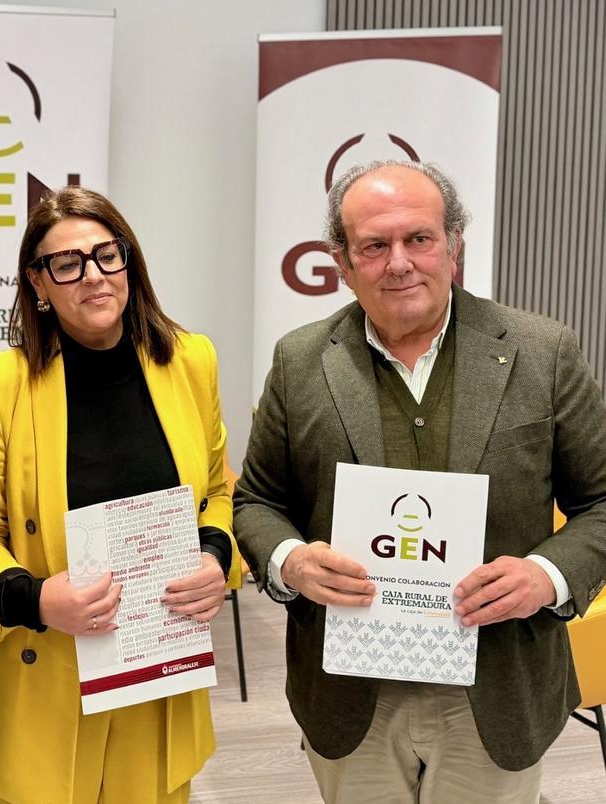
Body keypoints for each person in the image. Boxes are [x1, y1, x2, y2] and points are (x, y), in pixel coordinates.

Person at [234, 160, 606, 803]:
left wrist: (544, 576)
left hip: (496, 690)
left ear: (454, 246)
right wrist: (292, 561)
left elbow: (600, 501)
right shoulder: (299, 361)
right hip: (351, 696)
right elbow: (258, 501)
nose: (399, 263)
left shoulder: (543, 352)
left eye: (419, 239)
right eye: (374, 246)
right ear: (342, 264)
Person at [0, 186, 242, 803]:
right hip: (49, 662)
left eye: (108, 255)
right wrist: (31, 598)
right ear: (39, 284)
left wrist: (215, 557)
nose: (93, 276)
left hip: (157, 659)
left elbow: (216, 490)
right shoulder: (1, 384)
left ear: (129, 263)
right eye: (67, 264)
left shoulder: (191, 360)